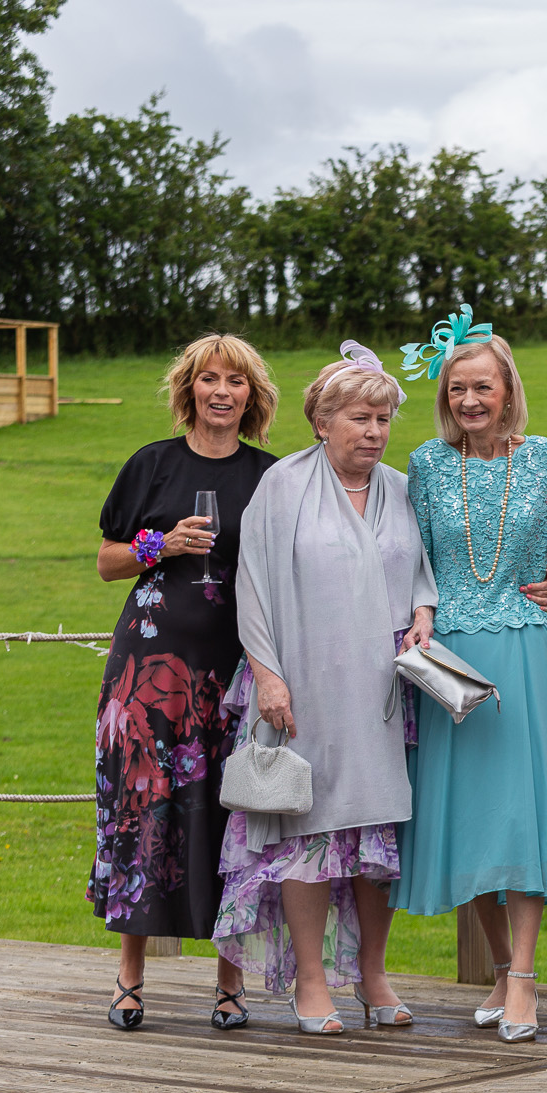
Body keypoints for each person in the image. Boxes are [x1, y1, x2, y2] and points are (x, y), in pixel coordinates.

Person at [391, 317, 547, 1043]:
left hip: (521, 653)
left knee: (518, 815)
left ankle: (525, 978)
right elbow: (410, 559)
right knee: (466, 822)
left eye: (482, 386)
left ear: (509, 389)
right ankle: (501, 966)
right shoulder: (426, 463)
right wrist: (420, 615)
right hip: (449, 661)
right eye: (458, 388)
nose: (470, 400)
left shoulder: (544, 459)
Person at [215, 344, 437, 1035]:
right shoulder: (282, 486)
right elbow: (250, 583)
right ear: (322, 421)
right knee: (304, 828)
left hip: (380, 694)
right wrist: (268, 675)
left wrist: (424, 614)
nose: (374, 432)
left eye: (383, 419)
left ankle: (372, 973)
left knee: (375, 832)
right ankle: (311, 981)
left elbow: (420, 571)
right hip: (301, 686)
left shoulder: (399, 488)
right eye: (360, 419)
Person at [93, 334, 280, 1031]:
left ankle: (230, 984)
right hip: (147, 669)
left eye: (236, 380)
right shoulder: (152, 464)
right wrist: (160, 544)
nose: (222, 391)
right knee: (143, 808)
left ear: (252, 395)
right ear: (190, 389)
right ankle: (129, 977)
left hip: (233, 669)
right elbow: (107, 561)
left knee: (233, 812)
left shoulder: (271, 476)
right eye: (209, 379)